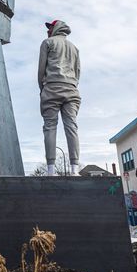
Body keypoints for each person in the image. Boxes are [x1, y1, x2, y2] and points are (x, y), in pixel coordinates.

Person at [38, 20, 81, 176]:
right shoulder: (74, 48)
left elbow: (41, 69)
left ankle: (50, 169)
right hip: (71, 89)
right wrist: (72, 84)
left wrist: (42, 89)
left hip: (51, 88)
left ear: (55, 28)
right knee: (72, 127)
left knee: (50, 126)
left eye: (50, 28)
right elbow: (77, 71)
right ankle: (75, 169)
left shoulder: (47, 43)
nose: (48, 30)